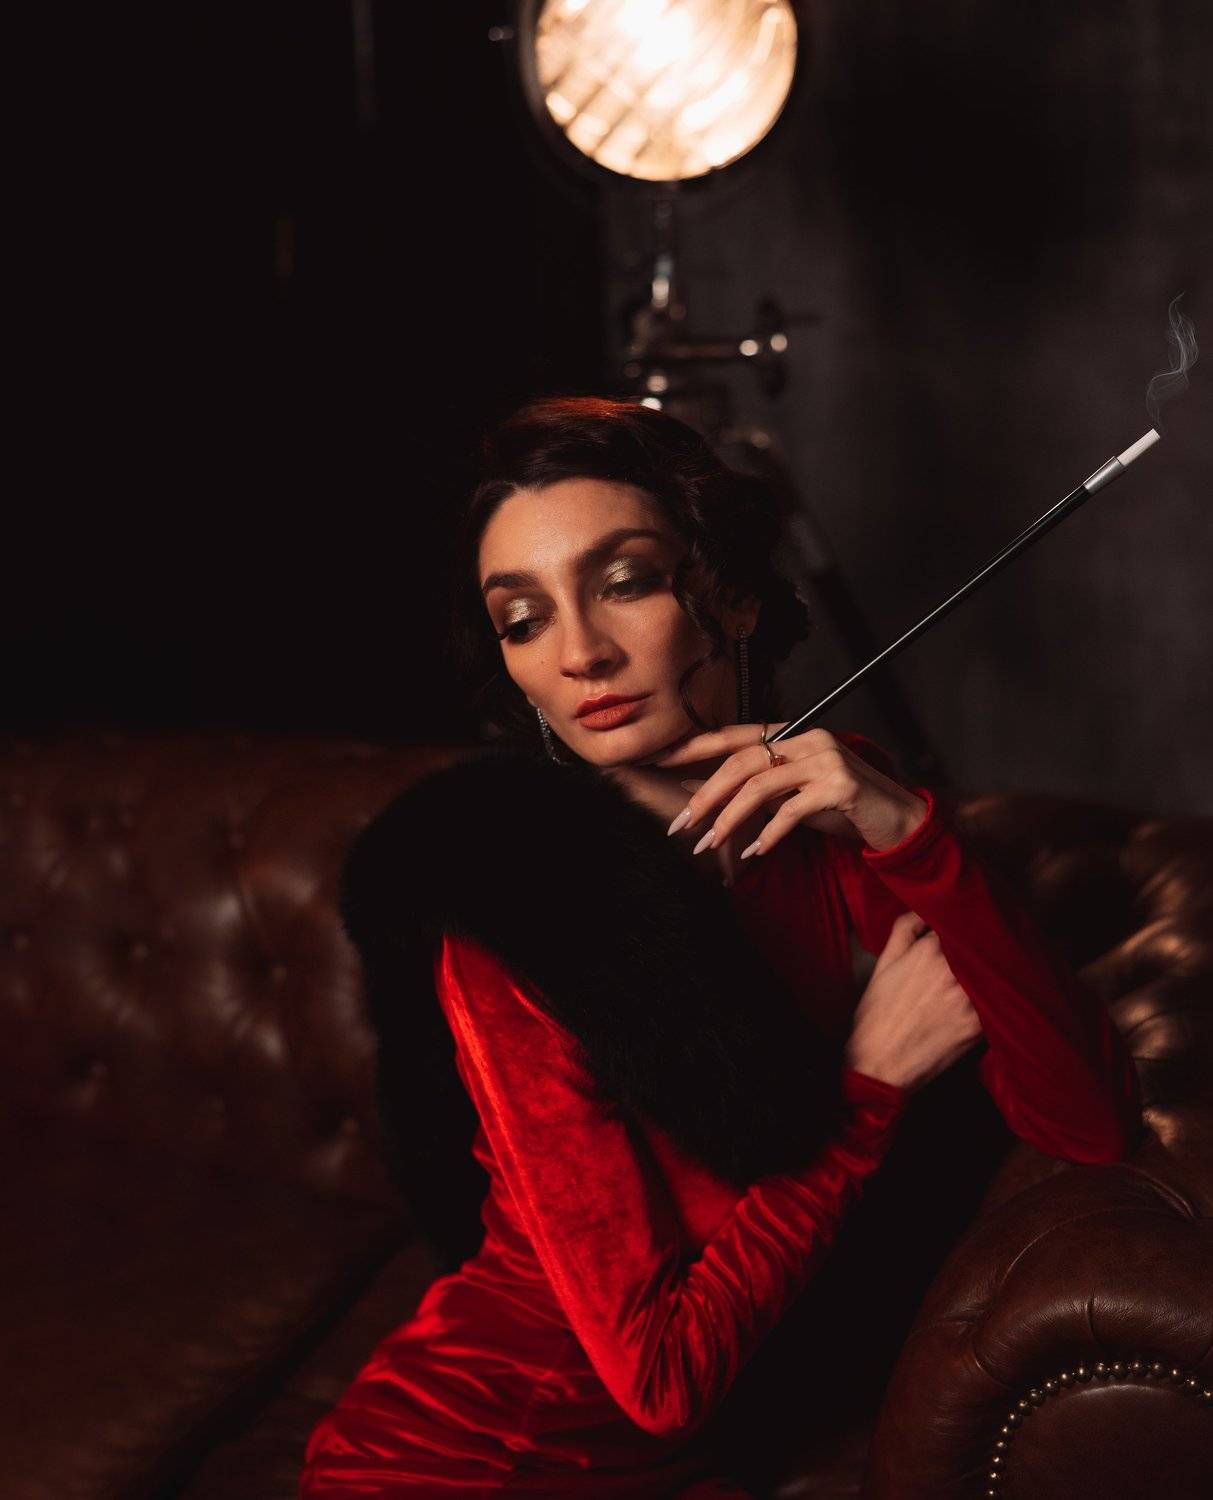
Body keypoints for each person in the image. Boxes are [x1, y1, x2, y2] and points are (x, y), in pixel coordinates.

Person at [300, 396, 1143, 1498]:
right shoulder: (522, 925)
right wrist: (870, 1088)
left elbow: (1086, 1124)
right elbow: (660, 1380)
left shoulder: (837, 822)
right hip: (457, 1461)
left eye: (624, 581)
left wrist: (910, 831)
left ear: (732, 597)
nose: (581, 653)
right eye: (523, 619)